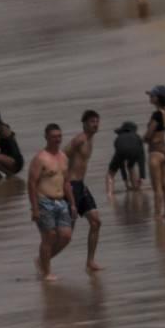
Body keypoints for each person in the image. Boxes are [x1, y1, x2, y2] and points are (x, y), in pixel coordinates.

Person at [27, 123, 76, 280]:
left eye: (59, 136)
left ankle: (42, 261)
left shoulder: (63, 157)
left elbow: (67, 182)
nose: (57, 139)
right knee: (49, 236)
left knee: (66, 236)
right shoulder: (40, 158)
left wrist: (73, 203)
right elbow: (31, 183)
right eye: (54, 137)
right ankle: (47, 272)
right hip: (44, 201)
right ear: (46, 137)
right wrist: (34, 208)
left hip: (61, 201)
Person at [65, 110, 105, 272]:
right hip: (72, 186)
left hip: (81, 186)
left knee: (96, 222)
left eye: (97, 121)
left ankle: (90, 262)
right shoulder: (79, 140)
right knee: (66, 234)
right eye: (91, 121)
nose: (95, 124)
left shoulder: (90, 139)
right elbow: (61, 155)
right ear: (84, 123)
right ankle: (43, 260)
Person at [145, 86, 165, 220]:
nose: (150, 97)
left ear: (157, 98)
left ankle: (157, 215)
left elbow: (149, 134)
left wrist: (142, 138)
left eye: (151, 95)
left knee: (156, 187)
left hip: (155, 151)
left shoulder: (156, 115)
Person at [106, 119, 147, 196]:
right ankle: (136, 187)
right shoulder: (137, 137)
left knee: (110, 173)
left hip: (121, 150)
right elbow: (142, 158)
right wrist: (142, 176)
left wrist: (125, 181)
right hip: (136, 151)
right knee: (130, 166)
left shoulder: (118, 139)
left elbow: (120, 163)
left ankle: (109, 194)